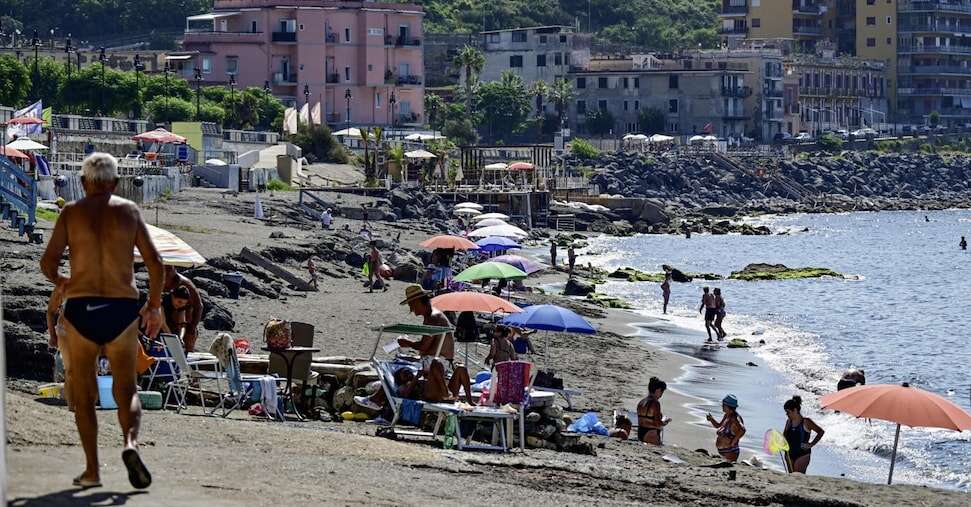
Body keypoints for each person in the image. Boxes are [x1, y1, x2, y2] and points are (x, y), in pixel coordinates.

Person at [39, 152, 163, 489]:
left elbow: (48, 262)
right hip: (122, 308)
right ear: (116, 183)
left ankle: (93, 470)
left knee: (84, 393)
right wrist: (153, 305)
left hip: (82, 308)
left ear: (82, 183)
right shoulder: (129, 212)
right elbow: (155, 262)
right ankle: (130, 445)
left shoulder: (71, 213)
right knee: (127, 389)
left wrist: (62, 281)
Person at [397, 285, 474, 403]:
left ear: (417, 302)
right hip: (443, 370)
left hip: (438, 372)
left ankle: (447, 394)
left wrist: (407, 343)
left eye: (411, 305)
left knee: (436, 364)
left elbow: (424, 346)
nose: (411, 310)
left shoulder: (433, 318)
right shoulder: (432, 316)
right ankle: (464, 399)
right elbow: (429, 346)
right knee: (454, 367)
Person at [162, 266, 202, 352]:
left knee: (186, 352)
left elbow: (199, 306)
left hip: (186, 323)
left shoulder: (186, 284)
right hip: (166, 322)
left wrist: (192, 327)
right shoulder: (163, 285)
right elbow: (162, 321)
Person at [783, 396, 825, 474]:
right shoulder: (789, 422)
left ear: (795, 410)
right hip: (789, 453)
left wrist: (811, 444)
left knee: (797, 476)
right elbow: (784, 436)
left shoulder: (806, 421)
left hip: (802, 454)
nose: (786, 414)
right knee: (791, 476)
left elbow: (821, 432)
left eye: (788, 411)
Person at [706, 394, 746, 463]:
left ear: (728, 406)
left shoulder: (735, 418)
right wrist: (711, 419)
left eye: (723, 405)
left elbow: (743, 430)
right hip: (724, 452)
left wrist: (733, 442)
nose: (722, 406)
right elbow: (718, 425)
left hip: (730, 452)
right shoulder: (727, 415)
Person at [636, 377, 671, 445]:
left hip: (640, 433)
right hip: (651, 434)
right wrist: (665, 421)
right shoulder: (655, 403)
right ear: (658, 390)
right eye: (661, 392)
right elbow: (657, 423)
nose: (661, 395)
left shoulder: (641, 402)